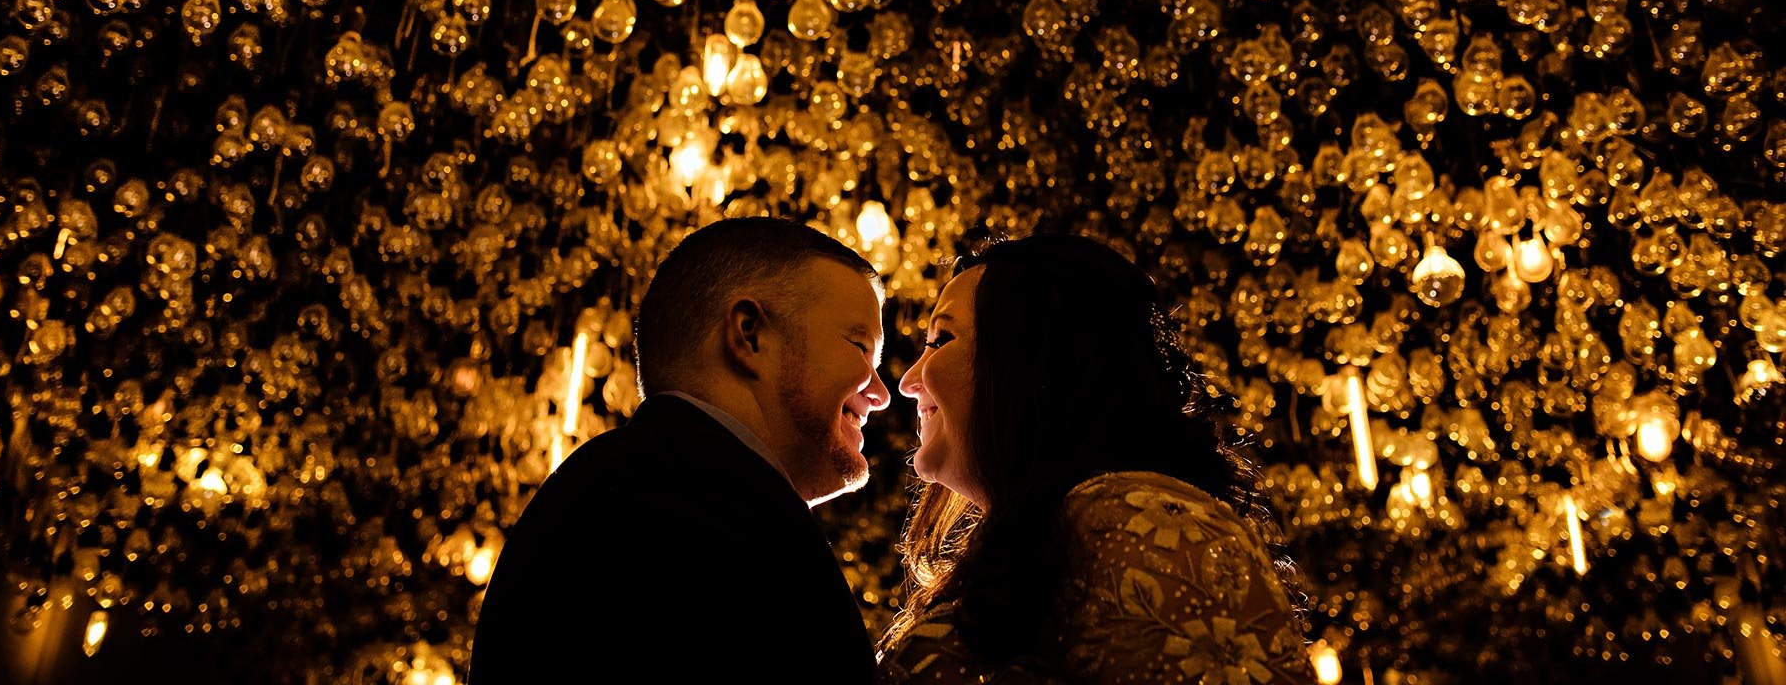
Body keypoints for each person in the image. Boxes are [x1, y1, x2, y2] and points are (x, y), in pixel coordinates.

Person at [469, 217, 890, 684]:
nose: (880, 394)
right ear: (750, 334)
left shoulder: (625, 483)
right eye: (859, 347)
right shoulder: (685, 510)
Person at [878, 234, 1312, 685]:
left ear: (1032, 359)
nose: (908, 382)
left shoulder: (1138, 523)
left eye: (941, 339)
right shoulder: (1047, 545)